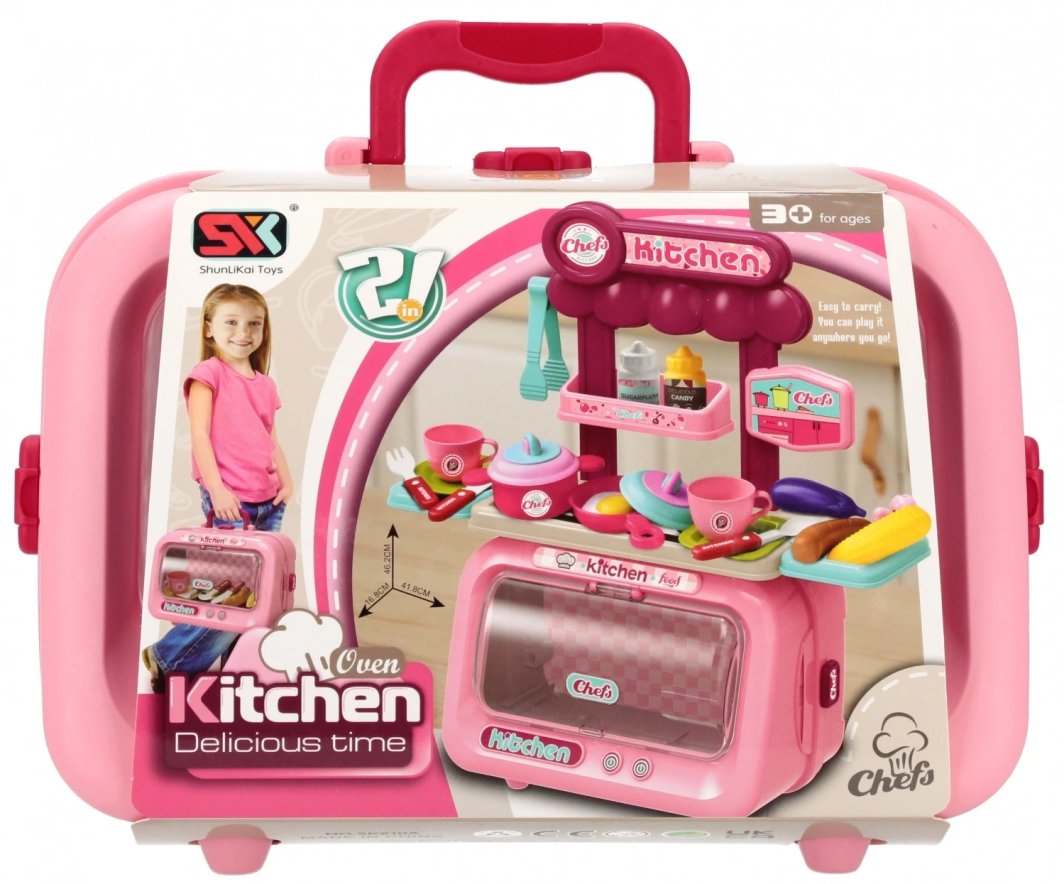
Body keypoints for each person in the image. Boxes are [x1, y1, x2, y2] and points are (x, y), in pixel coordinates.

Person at [142, 284, 293, 692]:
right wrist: (218, 490)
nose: (243, 332)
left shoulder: (265, 384)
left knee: (258, 599)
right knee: (232, 599)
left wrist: (286, 477)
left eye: (254, 324)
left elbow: (270, 436)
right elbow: (199, 435)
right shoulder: (208, 374)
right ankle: (169, 658)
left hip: (269, 500)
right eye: (231, 322)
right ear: (209, 328)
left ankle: (237, 676)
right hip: (231, 501)